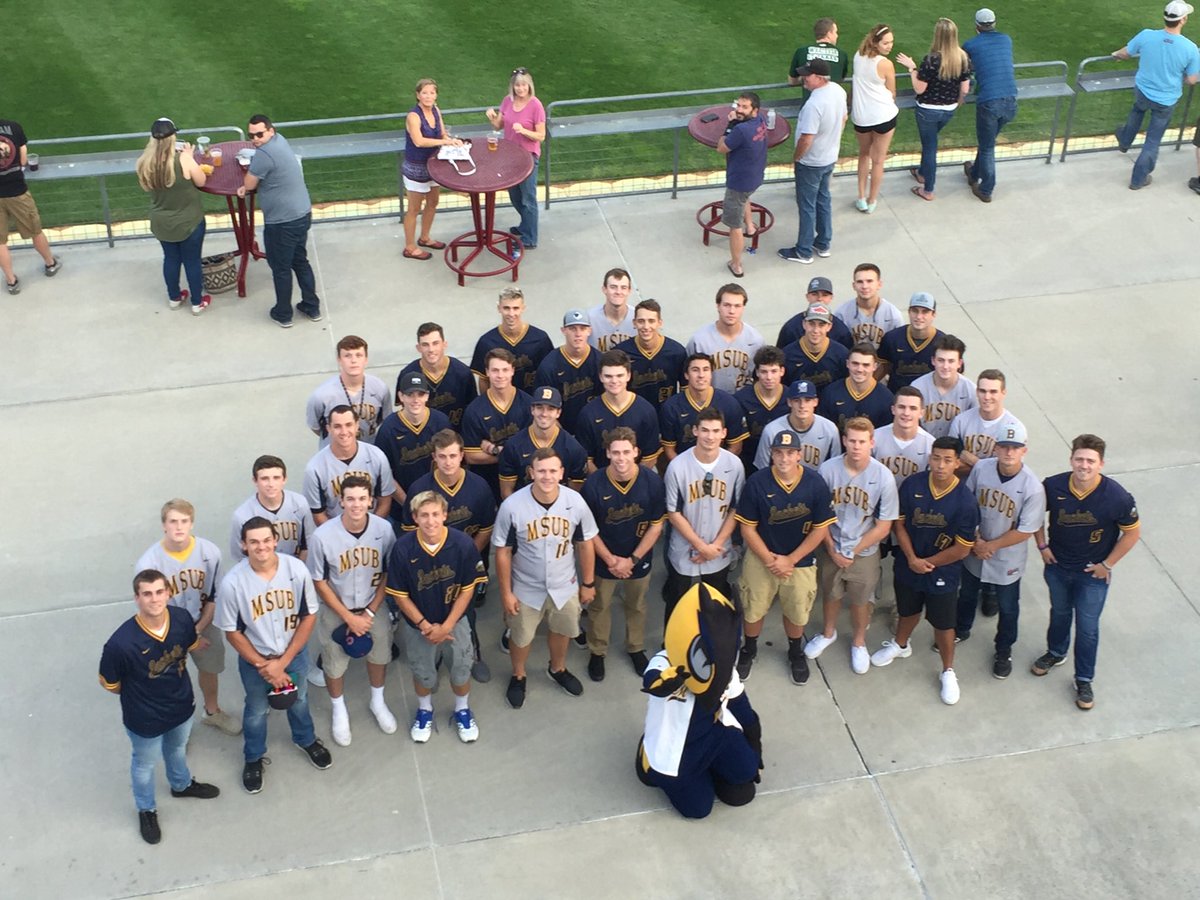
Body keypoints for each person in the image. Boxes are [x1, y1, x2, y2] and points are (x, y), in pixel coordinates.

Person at [100, 569, 221, 845]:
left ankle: (181, 785)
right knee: (144, 764)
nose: (154, 599)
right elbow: (111, 683)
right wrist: (143, 694)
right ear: (137, 598)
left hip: (181, 705)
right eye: (147, 594)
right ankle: (147, 809)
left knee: (177, 749)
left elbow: (189, 645)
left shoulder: (180, 619)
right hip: (144, 717)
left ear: (168, 593)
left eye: (159, 592)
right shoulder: (120, 643)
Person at [214, 517, 332, 794]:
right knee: (255, 710)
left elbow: (308, 616)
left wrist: (284, 662)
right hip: (257, 660)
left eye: (266, 540)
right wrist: (263, 664)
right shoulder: (233, 583)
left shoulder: (296, 569)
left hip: (293, 653)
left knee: (300, 700)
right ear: (243, 545)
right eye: (253, 541)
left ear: (275, 540)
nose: (261, 546)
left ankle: (305, 739)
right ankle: (253, 757)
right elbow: (232, 632)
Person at [1032, 434, 1141, 710]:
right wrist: (1042, 545)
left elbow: (1132, 533)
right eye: (1079, 459)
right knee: (1059, 613)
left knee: (1088, 628)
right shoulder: (1053, 486)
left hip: (1092, 575)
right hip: (1057, 567)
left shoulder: (1116, 496)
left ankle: (1083, 679)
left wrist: (1107, 565)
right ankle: (1056, 652)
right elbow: (1032, 516)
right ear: (1071, 460)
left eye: (1090, 461)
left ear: (1101, 464)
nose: (1084, 465)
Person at [870, 437, 979, 705]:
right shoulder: (913, 484)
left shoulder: (965, 501)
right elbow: (900, 525)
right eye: (936, 458)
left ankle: (948, 671)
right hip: (909, 563)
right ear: (930, 458)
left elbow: (963, 548)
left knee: (943, 624)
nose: (941, 465)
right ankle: (900, 645)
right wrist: (911, 557)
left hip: (943, 572)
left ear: (957, 463)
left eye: (947, 460)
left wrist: (928, 563)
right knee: (908, 610)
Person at [493, 448, 599, 709]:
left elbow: (585, 544)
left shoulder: (575, 501)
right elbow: (503, 552)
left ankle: (558, 668)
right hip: (526, 587)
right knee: (521, 637)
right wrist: (506, 592)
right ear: (531, 472)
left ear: (562, 473)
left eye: (553, 470)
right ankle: (519, 674)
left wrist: (588, 583)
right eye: (541, 470)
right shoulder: (512, 506)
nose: (547, 476)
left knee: (562, 630)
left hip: (565, 584)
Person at [734, 430, 835, 685]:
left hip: (799, 560)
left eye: (790, 452)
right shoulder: (757, 482)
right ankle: (749, 649)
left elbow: (820, 528)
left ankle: (794, 651)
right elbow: (747, 528)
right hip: (761, 558)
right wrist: (770, 560)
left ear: (799, 455)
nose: (784, 458)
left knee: (797, 610)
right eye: (779, 452)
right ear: (772, 454)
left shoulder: (815, 483)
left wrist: (790, 560)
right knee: (753, 607)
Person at [388, 491, 487, 742]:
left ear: (445, 515)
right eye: (424, 515)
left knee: (461, 669)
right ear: (414, 518)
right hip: (419, 626)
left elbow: (468, 589)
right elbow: (400, 595)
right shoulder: (402, 548)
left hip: (456, 622)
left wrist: (447, 626)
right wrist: (424, 625)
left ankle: (462, 709)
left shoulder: (462, 543)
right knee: (423, 672)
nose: (430, 521)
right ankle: (425, 710)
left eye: (435, 514)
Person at [400, 429, 497, 684]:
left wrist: (467, 554)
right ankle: (437, 653)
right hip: (429, 565)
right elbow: (410, 533)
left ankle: (473, 653)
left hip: (466, 560)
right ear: (434, 457)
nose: (448, 462)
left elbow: (486, 528)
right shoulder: (420, 488)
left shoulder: (478, 485)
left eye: (453, 455)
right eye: (442, 456)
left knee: (467, 611)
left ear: (462, 455)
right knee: (430, 608)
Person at [306, 476, 397, 746]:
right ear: (341, 501)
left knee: (380, 653)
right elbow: (319, 581)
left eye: (362, 498)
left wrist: (368, 613)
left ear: (371, 500)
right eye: (350, 499)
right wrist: (347, 617)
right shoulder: (323, 536)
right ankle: (339, 709)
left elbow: (389, 573)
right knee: (333, 662)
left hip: (372, 604)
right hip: (337, 606)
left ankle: (377, 701)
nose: (356, 504)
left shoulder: (383, 529)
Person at [136, 499, 238, 736]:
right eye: (173, 521)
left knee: (209, 669)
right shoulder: (148, 563)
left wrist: (198, 630)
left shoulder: (209, 552)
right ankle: (176, 726)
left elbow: (214, 594)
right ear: (164, 525)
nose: (179, 527)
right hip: (166, 629)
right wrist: (181, 636)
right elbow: (150, 607)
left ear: (192, 523)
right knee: (169, 678)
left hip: (203, 621)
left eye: (184, 521)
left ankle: (212, 712)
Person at [808, 418, 899, 674]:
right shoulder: (827, 470)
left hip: (864, 549)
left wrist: (851, 552)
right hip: (831, 546)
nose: (856, 446)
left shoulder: (883, 476)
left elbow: (884, 525)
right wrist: (832, 549)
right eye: (852, 440)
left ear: (872, 443)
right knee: (831, 593)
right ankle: (828, 633)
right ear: (844, 441)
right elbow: (819, 517)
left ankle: (859, 642)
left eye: (862, 442)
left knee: (860, 601)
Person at [580, 427, 666, 681]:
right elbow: (588, 530)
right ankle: (598, 651)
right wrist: (610, 560)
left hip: (638, 557)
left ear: (636, 452)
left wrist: (633, 559)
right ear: (607, 453)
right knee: (599, 606)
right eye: (615, 452)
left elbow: (656, 526)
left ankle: (636, 647)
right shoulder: (594, 484)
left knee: (637, 604)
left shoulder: (652, 482)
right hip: (604, 557)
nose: (621, 458)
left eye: (626, 452)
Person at [959, 423, 1045, 679]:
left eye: (1015, 448)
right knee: (966, 595)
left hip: (1007, 556)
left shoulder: (1032, 486)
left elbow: (1027, 529)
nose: (1009, 452)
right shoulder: (982, 468)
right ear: (996, 448)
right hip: (976, 547)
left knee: (1008, 608)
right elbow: (967, 503)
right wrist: (974, 540)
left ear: (1024, 451)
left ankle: (1003, 650)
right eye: (1005, 446)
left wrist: (990, 546)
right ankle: (961, 630)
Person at [662, 408, 746, 628]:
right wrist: (701, 546)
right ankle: (670, 648)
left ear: (724, 433)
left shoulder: (734, 465)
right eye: (705, 430)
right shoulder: (678, 466)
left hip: (719, 546)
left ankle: (716, 647)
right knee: (676, 601)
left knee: (717, 604)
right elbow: (673, 512)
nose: (710, 436)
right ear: (695, 431)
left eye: (715, 431)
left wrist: (714, 546)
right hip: (684, 547)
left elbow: (735, 509)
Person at [238, 115, 321, 327]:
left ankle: (283, 314)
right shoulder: (280, 141)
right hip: (302, 214)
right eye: (251, 135)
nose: (255, 139)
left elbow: (248, 184)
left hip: (282, 222)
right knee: (300, 261)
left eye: (259, 134)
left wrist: (248, 180)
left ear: (270, 131)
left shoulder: (264, 154)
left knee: (281, 268)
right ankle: (311, 307)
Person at [1113, 2, 1200, 190]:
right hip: (1166, 100)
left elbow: (1125, 53)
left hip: (1143, 91)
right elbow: (1192, 80)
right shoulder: (1191, 48)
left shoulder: (1146, 36)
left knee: (1136, 112)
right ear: (1183, 20)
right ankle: (1138, 179)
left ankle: (1125, 140)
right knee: (1152, 141)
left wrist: (1116, 55)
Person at [135, 118, 210, 314]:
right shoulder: (183, 159)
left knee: (171, 258)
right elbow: (201, 181)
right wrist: (189, 156)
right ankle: (197, 302)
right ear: (172, 138)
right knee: (192, 261)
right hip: (189, 222)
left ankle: (174, 297)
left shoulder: (144, 163)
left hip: (161, 222)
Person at [778, 59, 848, 264]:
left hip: (811, 162)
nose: (803, 79)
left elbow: (807, 137)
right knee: (823, 199)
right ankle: (823, 243)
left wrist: (797, 157)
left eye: (807, 76)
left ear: (818, 77)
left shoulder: (814, 104)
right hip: (829, 157)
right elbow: (843, 118)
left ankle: (804, 251)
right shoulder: (837, 90)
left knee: (807, 205)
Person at [897, 19, 972, 201]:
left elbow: (919, 89)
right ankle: (922, 173)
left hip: (927, 110)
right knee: (930, 143)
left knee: (930, 147)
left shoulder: (932, 59)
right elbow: (965, 89)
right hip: (948, 110)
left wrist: (912, 69)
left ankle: (928, 189)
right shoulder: (963, 58)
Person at [485, 66, 545, 254]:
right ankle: (525, 225)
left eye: (524, 85)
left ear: (529, 86)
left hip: (528, 156)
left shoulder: (536, 105)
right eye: (517, 85)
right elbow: (498, 126)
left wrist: (524, 130)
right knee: (515, 196)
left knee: (528, 198)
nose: (520, 89)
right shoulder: (507, 101)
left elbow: (541, 136)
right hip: (510, 156)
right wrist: (492, 116)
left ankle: (530, 238)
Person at [302, 405, 396, 524]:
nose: (344, 432)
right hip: (334, 531)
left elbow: (385, 500)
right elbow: (317, 513)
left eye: (348, 425)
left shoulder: (376, 456)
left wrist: (371, 530)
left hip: (373, 523)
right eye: (337, 426)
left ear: (357, 426)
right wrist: (340, 535)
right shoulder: (315, 468)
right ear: (328, 429)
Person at [402, 78, 463, 259]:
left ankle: (425, 237)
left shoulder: (436, 110)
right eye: (425, 93)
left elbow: (443, 133)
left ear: (436, 95)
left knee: (433, 202)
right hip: (416, 167)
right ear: (418, 95)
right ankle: (410, 247)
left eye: (432, 92)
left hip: (434, 164)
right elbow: (419, 141)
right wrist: (445, 141)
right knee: (414, 208)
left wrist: (451, 141)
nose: (428, 96)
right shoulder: (413, 116)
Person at [0, 116, 62, 294]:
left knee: (0, 241)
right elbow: (23, 159)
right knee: (35, 231)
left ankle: (11, 281)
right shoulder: (13, 127)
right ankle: (50, 264)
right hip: (17, 191)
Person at [463, 348, 534, 502]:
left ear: (512, 371)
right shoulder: (474, 410)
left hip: (526, 484)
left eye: (505, 370)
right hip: (488, 484)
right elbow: (471, 456)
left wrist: (494, 450)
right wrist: (513, 455)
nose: (500, 375)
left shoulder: (528, 404)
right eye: (495, 370)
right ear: (487, 372)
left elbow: (535, 448)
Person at [376, 373, 451, 516]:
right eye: (410, 394)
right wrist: (408, 504)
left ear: (427, 396)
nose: (416, 400)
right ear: (401, 396)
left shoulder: (441, 422)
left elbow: (450, 463)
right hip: (402, 508)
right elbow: (385, 474)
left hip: (438, 507)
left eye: (420, 394)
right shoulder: (388, 428)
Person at [574, 350, 663, 471]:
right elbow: (587, 459)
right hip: (600, 482)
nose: (614, 381)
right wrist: (604, 482)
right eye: (608, 376)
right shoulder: (588, 413)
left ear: (628, 375)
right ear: (600, 377)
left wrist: (633, 480)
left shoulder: (646, 411)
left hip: (637, 480)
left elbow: (650, 457)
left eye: (619, 375)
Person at [963, 8, 1019, 202]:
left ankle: (986, 189)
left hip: (989, 102)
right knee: (987, 142)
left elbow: (966, 68)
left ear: (977, 26)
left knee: (987, 147)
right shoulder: (1006, 40)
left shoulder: (970, 45)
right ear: (994, 23)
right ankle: (974, 173)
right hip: (1011, 102)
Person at [498, 385, 588, 497]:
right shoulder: (513, 445)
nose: (544, 414)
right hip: (524, 507)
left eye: (550, 408)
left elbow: (574, 494)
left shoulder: (574, 448)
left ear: (558, 412)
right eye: (540, 407)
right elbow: (506, 492)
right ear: (532, 410)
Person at [716, 92, 768, 278]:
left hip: (738, 182)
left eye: (744, 107)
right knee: (745, 197)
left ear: (754, 110)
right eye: (738, 105)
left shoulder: (740, 130)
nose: (739, 109)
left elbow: (721, 148)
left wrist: (730, 125)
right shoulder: (760, 120)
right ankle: (751, 226)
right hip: (755, 176)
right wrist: (737, 122)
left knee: (733, 225)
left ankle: (736, 264)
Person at [659, 352, 749, 460]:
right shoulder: (671, 407)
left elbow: (735, 446)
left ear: (711, 374)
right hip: (685, 467)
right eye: (695, 370)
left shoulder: (729, 403)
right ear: (686, 375)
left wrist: (717, 467)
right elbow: (669, 449)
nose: (701, 375)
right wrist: (685, 469)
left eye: (706, 369)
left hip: (720, 467)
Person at [306, 335, 392, 446]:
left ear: (366, 359)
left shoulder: (380, 389)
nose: (353, 360)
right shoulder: (321, 396)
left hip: (369, 450)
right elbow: (315, 427)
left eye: (359, 355)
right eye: (347, 356)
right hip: (335, 453)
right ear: (339, 360)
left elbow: (386, 420)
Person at [229, 455, 315, 561]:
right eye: (264, 479)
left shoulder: (299, 503)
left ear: (284, 479)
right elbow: (241, 557)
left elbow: (307, 545)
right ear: (255, 481)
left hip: (295, 569)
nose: (271, 484)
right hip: (260, 572)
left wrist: (297, 571)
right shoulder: (242, 516)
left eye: (276, 478)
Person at [851, 25, 899, 213]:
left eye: (891, 42)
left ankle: (861, 197)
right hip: (883, 116)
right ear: (875, 42)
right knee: (878, 160)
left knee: (863, 154)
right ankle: (872, 200)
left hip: (861, 117)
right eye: (886, 43)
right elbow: (892, 91)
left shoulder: (857, 56)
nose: (890, 46)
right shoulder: (885, 64)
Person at [470, 287, 553, 394]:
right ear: (499, 308)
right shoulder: (486, 342)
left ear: (523, 308)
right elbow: (484, 379)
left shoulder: (540, 339)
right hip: (500, 404)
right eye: (506, 308)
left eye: (516, 308)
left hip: (533, 404)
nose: (511, 314)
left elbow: (548, 375)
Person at [686, 284, 765, 393]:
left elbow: (761, 377)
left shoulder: (756, 341)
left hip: (743, 401)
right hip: (710, 402)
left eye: (737, 306)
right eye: (727, 305)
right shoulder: (699, 341)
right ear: (718, 306)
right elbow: (688, 377)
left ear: (743, 308)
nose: (732, 311)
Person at [398, 322, 478, 430]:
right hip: (424, 440)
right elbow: (405, 412)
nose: (431, 349)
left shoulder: (463, 373)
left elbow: (472, 411)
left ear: (444, 344)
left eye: (435, 343)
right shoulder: (407, 375)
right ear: (418, 348)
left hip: (456, 438)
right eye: (425, 345)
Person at [615, 298, 689, 411]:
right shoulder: (621, 353)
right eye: (641, 321)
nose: (646, 326)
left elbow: (686, 391)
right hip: (633, 415)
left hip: (666, 416)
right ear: (634, 323)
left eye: (651, 321)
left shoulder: (677, 352)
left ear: (660, 323)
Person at [948, 369, 1025, 474]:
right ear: (977, 392)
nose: (987, 397)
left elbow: (1009, 470)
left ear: (1003, 393)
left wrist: (975, 462)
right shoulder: (961, 420)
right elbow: (950, 463)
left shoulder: (1015, 427)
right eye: (983, 391)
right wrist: (990, 466)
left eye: (993, 392)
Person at [535, 309, 601, 431]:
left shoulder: (600, 361)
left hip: (595, 428)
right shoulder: (549, 365)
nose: (578, 333)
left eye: (582, 328)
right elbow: (544, 408)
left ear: (589, 331)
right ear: (563, 331)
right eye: (572, 328)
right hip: (561, 430)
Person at [755, 379, 841, 471]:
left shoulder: (830, 429)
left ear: (815, 402)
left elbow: (835, 468)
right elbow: (762, 470)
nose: (802, 405)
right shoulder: (772, 430)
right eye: (797, 400)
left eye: (807, 400)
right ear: (789, 402)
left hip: (816, 483)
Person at [734, 345, 789, 473]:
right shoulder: (741, 399)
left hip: (784, 463)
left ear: (782, 371)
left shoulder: (791, 398)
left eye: (774, 371)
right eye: (764, 372)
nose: (769, 377)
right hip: (748, 465)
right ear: (757, 372)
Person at [817, 342, 895, 431]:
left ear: (875, 366)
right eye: (855, 363)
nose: (859, 369)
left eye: (866, 365)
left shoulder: (886, 398)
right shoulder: (830, 393)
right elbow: (824, 431)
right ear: (847, 364)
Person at [911, 334, 976, 438]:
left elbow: (973, 426)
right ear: (933, 360)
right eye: (941, 360)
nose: (945, 366)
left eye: (951, 361)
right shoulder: (917, 387)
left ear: (959, 363)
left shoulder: (971, 391)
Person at [872, 387, 935, 491]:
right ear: (893, 409)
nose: (906, 413)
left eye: (913, 408)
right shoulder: (875, 437)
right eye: (901, 407)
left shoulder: (930, 444)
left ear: (921, 413)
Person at [877, 292, 943, 390]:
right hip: (897, 398)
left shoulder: (943, 343)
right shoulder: (892, 338)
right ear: (909, 312)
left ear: (933, 314)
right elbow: (880, 370)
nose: (919, 316)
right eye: (915, 311)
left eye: (925, 312)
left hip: (929, 401)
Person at [781, 302, 849, 394]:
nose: (816, 330)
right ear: (804, 324)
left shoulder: (841, 354)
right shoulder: (787, 355)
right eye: (811, 324)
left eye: (821, 325)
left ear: (829, 327)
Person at [835, 263, 904, 349]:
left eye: (869, 281)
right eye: (860, 282)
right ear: (854, 286)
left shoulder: (893, 315)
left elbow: (899, 347)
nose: (865, 286)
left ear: (879, 284)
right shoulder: (841, 313)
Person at [775, 275, 855, 349]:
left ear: (831, 298)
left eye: (825, 295)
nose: (819, 298)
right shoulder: (791, 328)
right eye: (814, 294)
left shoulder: (840, 330)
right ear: (807, 297)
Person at [788, 17, 849, 98]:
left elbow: (792, 81)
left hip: (810, 104)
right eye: (835, 32)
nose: (837, 36)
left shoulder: (801, 51)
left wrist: (806, 78)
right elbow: (839, 79)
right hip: (834, 106)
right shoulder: (842, 54)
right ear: (829, 34)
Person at [587, 268, 637, 352]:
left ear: (629, 291)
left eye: (623, 287)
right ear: (604, 289)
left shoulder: (639, 318)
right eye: (613, 287)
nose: (618, 292)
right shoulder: (589, 318)